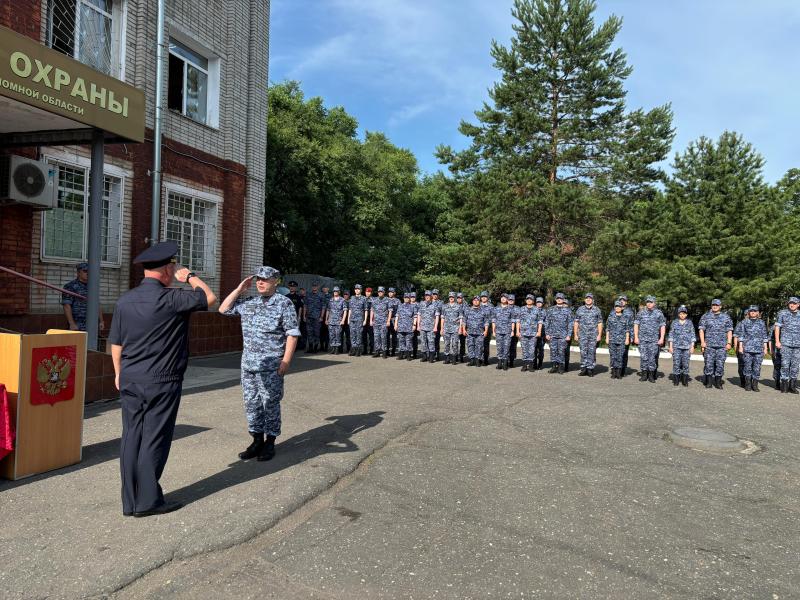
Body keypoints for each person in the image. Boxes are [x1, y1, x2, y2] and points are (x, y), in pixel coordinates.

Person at [108, 241, 217, 517]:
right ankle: (148, 502)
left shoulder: (125, 300)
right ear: (168, 270)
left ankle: (130, 501)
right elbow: (210, 298)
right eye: (173, 267)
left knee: (131, 437)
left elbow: (116, 343)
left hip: (130, 378)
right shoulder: (172, 298)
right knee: (154, 438)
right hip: (162, 380)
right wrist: (190, 276)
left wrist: (119, 373)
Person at [220, 266, 300, 463]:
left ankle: (270, 442)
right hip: (248, 365)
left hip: (271, 365)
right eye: (258, 279)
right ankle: (256, 440)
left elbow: (292, 333)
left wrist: (286, 360)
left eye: (265, 279)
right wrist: (239, 289)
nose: (260, 282)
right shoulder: (250, 302)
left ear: (276, 281)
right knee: (252, 403)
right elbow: (223, 309)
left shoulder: (284, 303)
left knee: (270, 403)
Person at [698, 299, 733, 389]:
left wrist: (729, 343)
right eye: (713, 305)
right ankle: (709, 382)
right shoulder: (705, 316)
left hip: (722, 346)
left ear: (720, 306)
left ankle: (718, 382)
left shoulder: (726, 317)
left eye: (717, 305)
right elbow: (701, 330)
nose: (715, 306)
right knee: (708, 364)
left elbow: (729, 331)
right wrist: (702, 342)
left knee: (720, 364)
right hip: (709, 345)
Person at [62, 262, 104, 333]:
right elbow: (66, 305)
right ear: (78, 272)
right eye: (85, 271)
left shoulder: (92, 286)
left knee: (92, 343)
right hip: (78, 324)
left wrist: (101, 321)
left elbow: (97, 304)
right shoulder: (70, 286)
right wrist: (72, 323)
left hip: (92, 324)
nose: (87, 273)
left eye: (89, 271)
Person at [634, 296, 666, 383]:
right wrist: (636, 337)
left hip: (654, 340)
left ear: (654, 303)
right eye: (647, 302)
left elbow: (662, 326)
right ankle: (644, 375)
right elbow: (636, 325)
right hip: (643, 339)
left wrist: (662, 338)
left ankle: (651, 375)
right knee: (643, 357)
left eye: (651, 302)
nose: (649, 303)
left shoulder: (659, 313)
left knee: (652, 358)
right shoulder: (641, 313)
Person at [737, 305, 769, 392]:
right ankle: (747, 384)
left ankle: (755, 385)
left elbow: (764, 336)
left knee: (757, 367)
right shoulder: (744, 322)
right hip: (747, 348)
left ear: (758, 313)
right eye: (751, 311)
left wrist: (765, 348)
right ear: (748, 312)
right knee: (747, 367)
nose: (753, 312)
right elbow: (741, 336)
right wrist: (740, 346)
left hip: (759, 349)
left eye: (755, 311)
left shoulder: (762, 323)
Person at [774, 296, 800, 394]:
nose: (792, 305)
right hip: (785, 343)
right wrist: (777, 341)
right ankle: (784, 385)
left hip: (798, 344)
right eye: (790, 303)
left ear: (798, 304)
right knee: (785, 364)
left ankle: (792, 386)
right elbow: (777, 327)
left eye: (794, 303)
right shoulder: (782, 313)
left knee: (795, 365)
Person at [573, 292, 603, 377]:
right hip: (582, 335)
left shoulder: (597, 310)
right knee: (583, 352)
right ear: (584, 299)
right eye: (587, 298)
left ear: (592, 300)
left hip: (593, 335)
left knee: (592, 352)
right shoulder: (580, 309)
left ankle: (590, 369)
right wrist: (575, 334)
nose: (588, 299)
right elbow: (576, 322)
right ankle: (583, 368)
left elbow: (600, 323)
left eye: (590, 298)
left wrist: (599, 335)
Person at [544, 292, 573, 374]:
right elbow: (547, 322)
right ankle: (554, 366)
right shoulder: (551, 309)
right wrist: (547, 333)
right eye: (557, 298)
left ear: (563, 300)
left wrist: (569, 335)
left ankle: (561, 367)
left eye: (561, 298)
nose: (559, 299)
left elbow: (570, 323)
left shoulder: (568, 311)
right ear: (555, 299)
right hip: (552, 335)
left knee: (561, 351)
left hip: (563, 335)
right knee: (553, 351)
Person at [667, 305, 695, 387]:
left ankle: (684, 380)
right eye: (681, 313)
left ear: (686, 315)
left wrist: (692, 346)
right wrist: (671, 347)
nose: (682, 315)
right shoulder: (674, 322)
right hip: (676, 347)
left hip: (687, 348)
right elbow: (671, 335)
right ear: (678, 314)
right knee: (676, 364)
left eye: (684, 314)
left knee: (686, 364)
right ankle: (676, 380)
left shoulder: (689, 323)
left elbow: (693, 335)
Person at [518, 294, 543, 372]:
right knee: (524, 349)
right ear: (526, 300)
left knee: (532, 350)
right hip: (523, 333)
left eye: (531, 299)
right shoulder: (521, 309)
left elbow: (540, 321)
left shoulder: (537, 309)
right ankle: (525, 365)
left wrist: (539, 331)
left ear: (533, 301)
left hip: (533, 333)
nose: (529, 300)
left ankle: (531, 365)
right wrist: (517, 331)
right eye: (527, 299)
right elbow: (518, 321)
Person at [605, 300, 630, 379]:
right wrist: (607, 338)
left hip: (622, 340)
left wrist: (627, 339)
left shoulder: (625, 318)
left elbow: (627, 330)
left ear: (622, 308)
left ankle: (618, 372)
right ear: (614, 308)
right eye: (616, 306)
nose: (617, 308)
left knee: (620, 356)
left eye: (619, 306)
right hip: (612, 340)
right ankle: (614, 372)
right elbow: (608, 329)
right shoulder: (610, 317)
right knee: (613, 356)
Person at [463, 295, 489, 366]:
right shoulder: (468, 310)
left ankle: (477, 360)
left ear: (479, 302)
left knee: (479, 346)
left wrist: (486, 331)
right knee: (470, 346)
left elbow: (486, 322)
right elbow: (464, 320)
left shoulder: (484, 311)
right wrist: (463, 329)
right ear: (472, 301)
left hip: (480, 332)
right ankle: (472, 360)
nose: (476, 301)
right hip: (469, 332)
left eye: (477, 300)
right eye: (474, 300)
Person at [492, 294, 515, 371]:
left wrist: (512, 331)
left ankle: (505, 363)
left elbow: (512, 321)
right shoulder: (496, 309)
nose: (503, 299)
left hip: (507, 331)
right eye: (502, 297)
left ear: (507, 299)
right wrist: (493, 331)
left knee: (506, 347)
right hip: (498, 331)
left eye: (505, 298)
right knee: (499, 347)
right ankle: (499, 362)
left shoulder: (510, 309)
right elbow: (493, 321)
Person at [441, 291, 463, 365]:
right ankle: (447, 358)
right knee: (446, 343)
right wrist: (442, 328)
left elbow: (461, 318)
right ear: (448, 298)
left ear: (455, 298)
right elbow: (443, 318)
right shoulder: (444, 306)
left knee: (455, 344)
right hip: (446, 328)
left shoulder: (458, 306)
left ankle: (454, 358)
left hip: (455, 328)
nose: (451, 298)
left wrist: (460, 328)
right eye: (450, 297)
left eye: (452, 297)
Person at [304, 282, 326, 353]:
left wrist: (321, 317)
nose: (314, 287)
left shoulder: (321, 295)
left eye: (315, 286)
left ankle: (315, 348)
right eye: (313, 286)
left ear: (318, 287)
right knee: (309, 332)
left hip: (317, 317)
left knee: (316, 332)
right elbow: (305, 305)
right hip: (309, 317)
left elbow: (323, 307)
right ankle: (310, 348)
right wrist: (304, 315)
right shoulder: (308, 295)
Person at [417, 290, 439, 362]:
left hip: (431, 327)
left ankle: (431, 357)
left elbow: (437, 317)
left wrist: (435, 326)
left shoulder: (435, 305)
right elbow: (419, 315)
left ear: (431, 296)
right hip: (423, 327)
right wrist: (418, 325)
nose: (427, 297)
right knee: (423, 342)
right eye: (426, 295)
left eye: (428, 295)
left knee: (431, 342)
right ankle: (424, 356)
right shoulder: (421, 304)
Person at [394, 293, 417, 360]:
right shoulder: (400, 306)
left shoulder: (413, 306)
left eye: (407, 297)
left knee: (408, 341)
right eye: (405, 297)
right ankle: (401, 355)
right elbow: (397, 316)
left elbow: (415, 316)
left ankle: (408, 355)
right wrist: (395, 324)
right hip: (401, 327)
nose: (406, 299)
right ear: (403, 298)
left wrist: (414, 325)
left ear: (409, 298)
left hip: (409, 327)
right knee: (401, 341)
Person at [347, 284, 368, 356]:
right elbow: (350, 309)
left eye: (358, 289)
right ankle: (353, 348)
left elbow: (366, 310)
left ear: (361, 290)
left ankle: (358, 350)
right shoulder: (352, 298)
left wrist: (365, 320)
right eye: (356, 289)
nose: (357, 290)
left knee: (359, 334)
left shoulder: (364, 298)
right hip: (352, 319)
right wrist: (348, 319)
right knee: (352, 334)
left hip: (359, 319)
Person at [371, 286, 391, 358]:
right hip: (376, 322)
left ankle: (384, 352)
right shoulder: (374, 300)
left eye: (381, 291)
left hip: (384, 322)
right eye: (379, 291)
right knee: (376, 337)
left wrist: (388, 321)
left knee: (383, 337)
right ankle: (377, 351)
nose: (380, 293)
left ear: (384, 292)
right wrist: (371, 320)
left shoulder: (387, 300)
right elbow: (372, 310)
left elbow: (390, 311)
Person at [326, 287, 347, 354]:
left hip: (338, 321)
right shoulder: (330, 300)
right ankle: (333, 348)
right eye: (334, 291)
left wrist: (343, 320)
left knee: (338, 335)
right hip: (331, 321)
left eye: (336, 291)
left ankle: (337, 349)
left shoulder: (342, 300)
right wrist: (326, 319)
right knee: (331, 335)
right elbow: (328, 310)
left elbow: (345, 311)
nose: (335, 292)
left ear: (339, 292)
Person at [617, 295, 634, 376]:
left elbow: (632, 324)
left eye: (623, 300)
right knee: (615, 353)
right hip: (615, 336)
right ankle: (616, 369)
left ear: (626, 302)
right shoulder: (614, 310)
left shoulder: (630, 312)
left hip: (626, 336)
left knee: (624, 353)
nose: (622, 301)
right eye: (620, 300)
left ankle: (623, 369)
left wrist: (632, 336)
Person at [479, 291, 494, 365]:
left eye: (485, 296)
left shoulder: (491, 306)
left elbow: (493, 317)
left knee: (486, 344)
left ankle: (485, 359)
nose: (483, 298)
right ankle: (479, 358)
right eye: (482, 297)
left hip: (488, 328)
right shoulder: (478, 305)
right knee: (479, 343)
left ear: (487, 298)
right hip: (478, 328)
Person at [387, 287, 400, 356]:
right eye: (389, 292)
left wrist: (397, 322)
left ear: (394, 293)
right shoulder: (385, 300)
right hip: (386, 320)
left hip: (394, 319)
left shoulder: (397, 301)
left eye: (391, 292)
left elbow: (399, 311)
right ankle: (387, 350)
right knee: (386, 336)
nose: (390, 293)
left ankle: (393, 350)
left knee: (394, 336)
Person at [533, 297, 546, 369]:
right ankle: (534, 363)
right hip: (533, 332)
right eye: (538, 302)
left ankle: (540, 363)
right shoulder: (532, 310)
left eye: (540, 302)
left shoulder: (545, 312)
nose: (539, 303)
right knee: (533, 348)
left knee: (541, 349)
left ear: (542, 303)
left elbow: (547, 322)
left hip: (542, 333)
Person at [362, 287, 375, 354]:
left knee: (371, 336)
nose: (368, 293)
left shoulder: (374, 300)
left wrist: (373, 320)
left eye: (369, 292)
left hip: (371, 320)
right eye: (367, 292)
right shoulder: (362, 299)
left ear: (371, 293)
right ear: (365, 292)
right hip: (363, 320)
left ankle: (371, 349)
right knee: (363, 335)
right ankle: (364, 349)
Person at [456, 292, 467, 363]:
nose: (459, 299)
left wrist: (463, 328)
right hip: (454, 326)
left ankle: (461, 356)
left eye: (460, 298)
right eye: (458, 298)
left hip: (463, 326)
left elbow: (465, 317)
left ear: (462, 298)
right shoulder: (454, 305)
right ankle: (455, 356)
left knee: (462, 342)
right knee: (455, 342)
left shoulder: (466, 306)